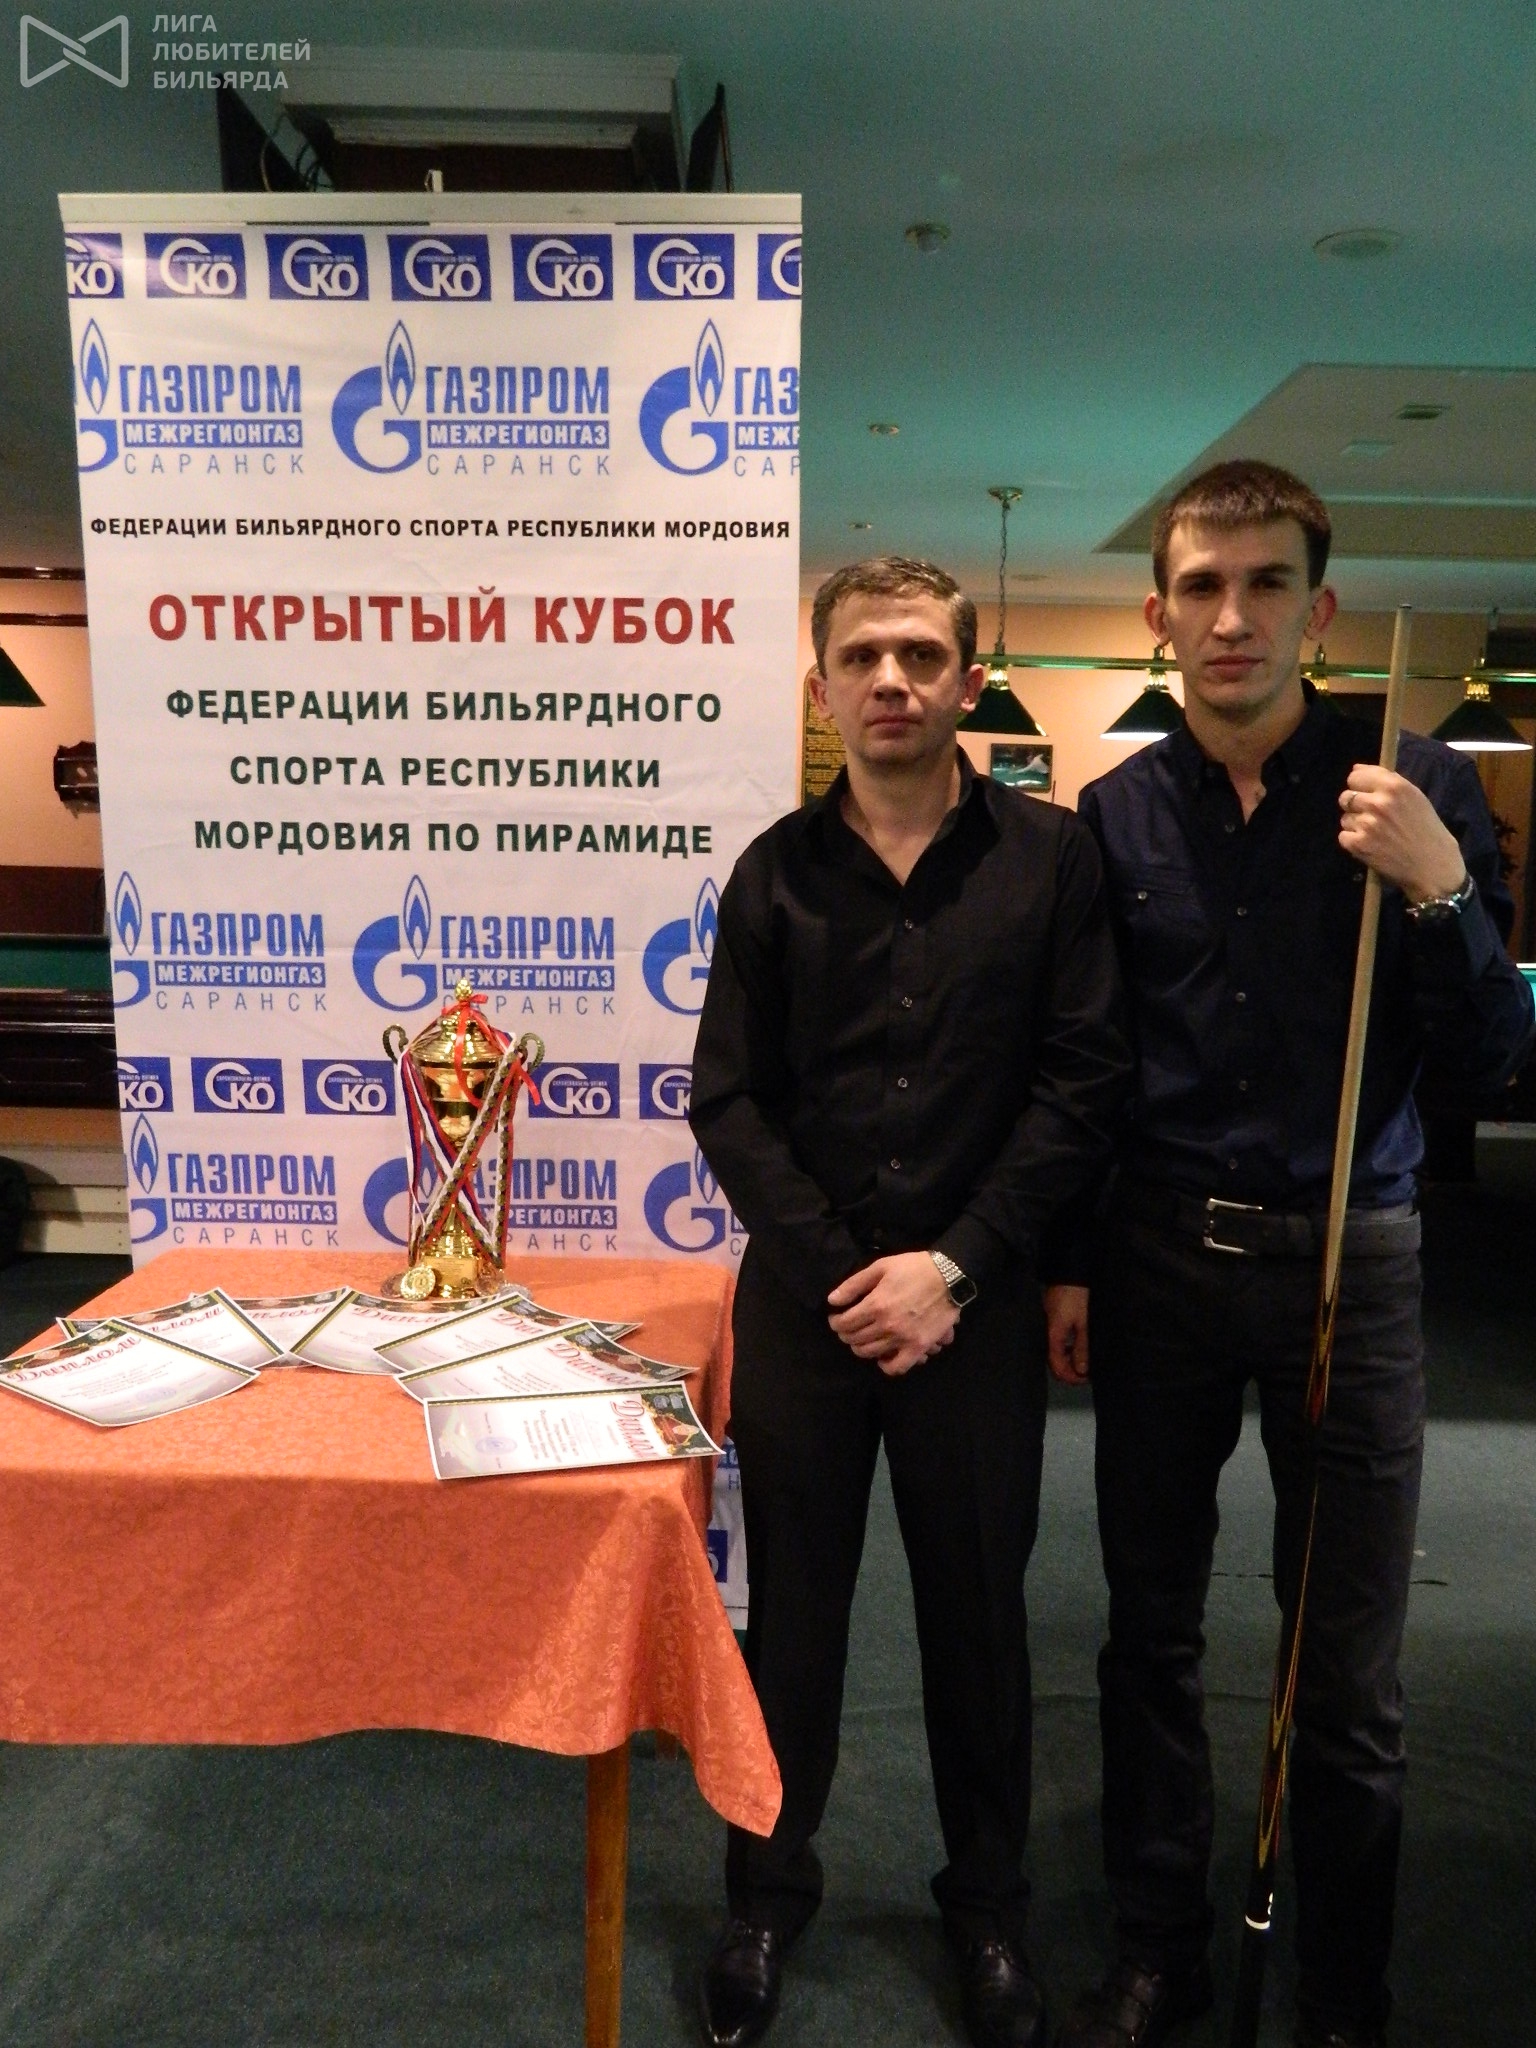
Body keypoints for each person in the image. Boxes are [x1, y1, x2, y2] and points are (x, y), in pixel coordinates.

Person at [1050, 461, 1536, 2048]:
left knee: (1347, 1671)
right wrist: (1070, 1262)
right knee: (1148, 1631)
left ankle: (1341, 1994)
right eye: (1203, 585)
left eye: (1266, 583)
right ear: (1160, 612)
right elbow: (1092, 1067)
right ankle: (1157, 1952)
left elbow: (1493, 1062)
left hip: (1358, 1261)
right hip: (1161, 1260)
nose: (1233, 616)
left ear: (1318, 611)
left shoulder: (1414, 782)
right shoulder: (1118, 814)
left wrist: (1443, 892)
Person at [689, 556, 1131, 2048]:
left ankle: (989, 1914)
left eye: (922, 655)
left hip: (975, 1309)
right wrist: (846, 1274)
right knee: (791, 1627)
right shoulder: (772, 874)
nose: (891, 679)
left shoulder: (1053, 863)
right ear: (821, 687)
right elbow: (728, 1100)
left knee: (979, 1626)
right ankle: (765, 1900)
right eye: (863, 656)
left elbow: (1083, 1083)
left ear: (967, 679)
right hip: (808, 1314)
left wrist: (954, 1266)